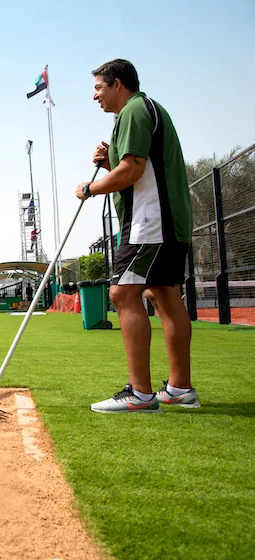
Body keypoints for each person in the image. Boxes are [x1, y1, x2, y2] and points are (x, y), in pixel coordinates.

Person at [76, 59, 197, 413]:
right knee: (163, 293)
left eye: (99, 88)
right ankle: (179, 389)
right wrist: (109, 163)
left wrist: (90, 188)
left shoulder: (133, 110)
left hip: (150, 221)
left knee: (122, 292)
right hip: (168, 219)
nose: (95, 96)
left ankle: (140, 394)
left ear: (118, 84)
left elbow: (132, 170)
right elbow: (137, 168)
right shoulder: (145, 110)